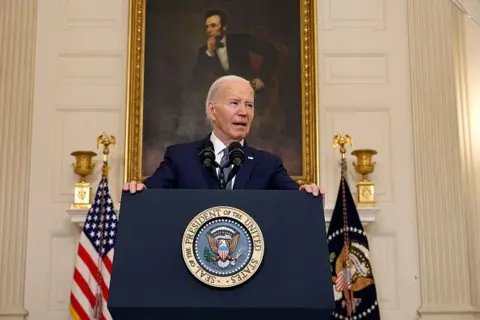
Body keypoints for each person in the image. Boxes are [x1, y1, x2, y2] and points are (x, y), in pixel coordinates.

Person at [123, 75, 325, 199]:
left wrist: (307, 194)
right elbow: (149, 195)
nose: (244, 112)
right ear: (212, 111)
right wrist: (138, 190)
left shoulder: (268, 164)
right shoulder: (180, 158)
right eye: (235, 103)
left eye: (249, 105)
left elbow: (296, 198)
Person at [192, 9, 278, 92]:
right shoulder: (204, 51)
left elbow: (271, 51)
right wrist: (209, 53)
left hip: (247, 92)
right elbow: (197, 78)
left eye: (213, 26)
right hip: (221, 98)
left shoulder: (241, 40)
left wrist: (261, 78)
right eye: (207, 26)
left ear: (224, 27)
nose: (209, 30)